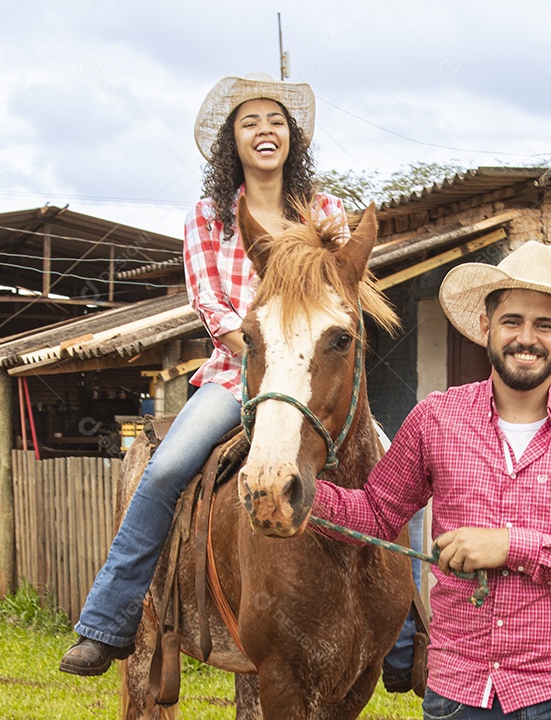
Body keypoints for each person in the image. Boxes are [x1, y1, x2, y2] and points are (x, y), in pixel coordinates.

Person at [60, 72, 350, 676]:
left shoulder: (325, 211)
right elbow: (210, 305)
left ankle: (406, 633)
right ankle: (108, 619)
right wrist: (260, 347)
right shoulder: (208, 216)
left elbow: (341, 292)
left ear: (292, 137)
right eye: (250, 122)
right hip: (237, 371)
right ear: (232, 142)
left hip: (313, 372)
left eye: (276, 121)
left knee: (390, 462)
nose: (265, 131)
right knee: (166, 468)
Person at [311, 241, 551, 718]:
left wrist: (511, 546)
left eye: (544, 325)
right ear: (484, 325)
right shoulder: (436, 419)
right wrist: (301, 495)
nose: (526, 338)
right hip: (461, 693)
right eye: (512, 320)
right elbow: (374, 511)